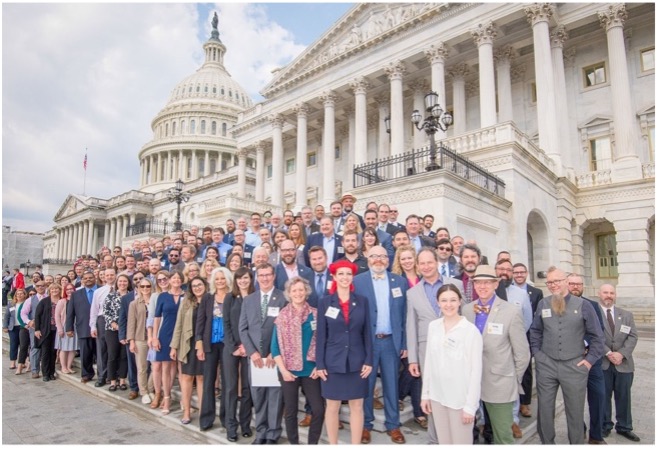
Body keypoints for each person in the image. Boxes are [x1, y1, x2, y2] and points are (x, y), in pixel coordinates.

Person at [530, 266, 605, 444]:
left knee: (575, 412)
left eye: (557, 281)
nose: (553, 285)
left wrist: (588, 361)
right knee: (545, 410)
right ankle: (547, 443)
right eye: (549, 282)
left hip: (574, 366)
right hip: (546, 364)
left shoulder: (584, 305)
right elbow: (535, 331)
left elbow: (597, 337)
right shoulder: (543, 304)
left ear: (566, 282)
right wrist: (538, 355)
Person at [461, 265, 530, 444]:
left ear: (495, 284)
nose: (482, 286)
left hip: (500, 383)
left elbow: (522, 354)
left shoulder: (510, 311)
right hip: (471, 383)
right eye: (478, 283)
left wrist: (512, 379)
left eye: (487, 282)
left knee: (503, 436)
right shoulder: (467, 310)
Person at [354, 245, 408, 444]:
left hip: (391, 342)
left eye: (383, 256)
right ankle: (366, 425)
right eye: (375, 255)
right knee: (366, 386)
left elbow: (404, 316)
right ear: (367, 257)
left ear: (388, 259)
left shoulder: (400, 282)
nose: (379, 259)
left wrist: (404, 342)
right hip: (367, 344)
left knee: (391, 385)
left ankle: (393, 425)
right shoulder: (358, 282)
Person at [316, 260, 373, 444]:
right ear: (333, 276)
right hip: (333, 362)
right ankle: (333, 444)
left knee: (357, 406)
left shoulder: (362, 301)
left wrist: (369, 360)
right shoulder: (325, 302)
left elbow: (367, 334)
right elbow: (321, 336)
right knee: (332, 406)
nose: (345, 277)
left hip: (358, 362)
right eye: (340, 274)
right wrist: (320, 364)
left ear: (352, 276)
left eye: (348, 274)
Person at [421, 284, 482, 443]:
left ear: (460, 301)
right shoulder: (433, 327)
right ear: (438, 303)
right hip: (437, 397)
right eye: (444, 300)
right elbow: (429, 362)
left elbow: (476, 372)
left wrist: (470, 406)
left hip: (459, 400)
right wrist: (425, 395)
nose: (449, 304)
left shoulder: (470, 331)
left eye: (453, 300)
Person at [271, 277, 325, 444]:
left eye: (301, 289)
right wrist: (284, 371)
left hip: (311, 371)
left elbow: (324, 343)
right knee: (291, 411)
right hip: (289, 372)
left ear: (306, 292)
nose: (298, 293)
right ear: (289, 293)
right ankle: (294, 443)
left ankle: (312, 443)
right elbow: (275, 348)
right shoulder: (282, 316)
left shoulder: (316, 314)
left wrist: (320, 365)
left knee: (318, 409)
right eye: (294, 290)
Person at [238, 263, 287, 445]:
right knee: (258, 396)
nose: (265, 278)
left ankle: (273, 434)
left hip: (275, 358)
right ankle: (261, 432)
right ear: (257, 278)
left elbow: (285, 330)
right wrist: (253, 353)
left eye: (268, 275)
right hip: (256, 359)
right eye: (261, 275)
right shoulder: (249, 300)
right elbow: (242, 329)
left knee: (275, 396)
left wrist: (275, 353)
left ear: (273, 276)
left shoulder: (283, 298)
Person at [566, 272, 607, 444]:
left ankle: (596, 436)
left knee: (598, 397)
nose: (576, 286)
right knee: (573, 400)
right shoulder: (559, 304)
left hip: (592, 361)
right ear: (566, 285)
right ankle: (579, 430)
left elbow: (599, 331)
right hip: (571, 361)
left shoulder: (592, 305)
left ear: (582, 286)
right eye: (572, 283)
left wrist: (584, 345)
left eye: (579, 284)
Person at [597, 284, 640, 442]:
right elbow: (594, 336)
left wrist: (621, 354)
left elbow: (633, 336)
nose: (608, 295)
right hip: (603, 363)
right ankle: (605, 425)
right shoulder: (594, 314)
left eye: (611, 293)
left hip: (624, 364)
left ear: (615, 295)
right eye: (605, 292)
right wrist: (608, 353)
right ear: (599, 294)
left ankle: (624, 427)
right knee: (603, 396)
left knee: (624, 397)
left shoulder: (626, 314)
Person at [196, 267, 232, 432]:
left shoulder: (233, 297)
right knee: (209, 381)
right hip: (210, 343)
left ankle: (226, 418)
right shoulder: (207, 298)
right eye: (217, 279)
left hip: (227, 344)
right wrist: (199, 343)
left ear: (227, 279)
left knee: (227, 381)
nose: (219, 281)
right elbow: (200, 321)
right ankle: (206, 418)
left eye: (222, 278)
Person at [222, 266, 255, 440]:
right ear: (235, 280)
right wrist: (234, 347)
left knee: (247, 388)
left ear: (251, 279)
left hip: (250, 348)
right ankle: (231, 427)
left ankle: (245, 424)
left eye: (246, 278)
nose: (243, 281)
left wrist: (247, 347)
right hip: (231, 349)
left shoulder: (255, 297)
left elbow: (256, 325)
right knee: (231, 388)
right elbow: (226, 324)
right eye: (239, 278)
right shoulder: (229, 298)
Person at [171, 276, 207, 425]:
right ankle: (186, 411)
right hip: (188, 344)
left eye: (200, 285)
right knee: (186, 378)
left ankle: (203, 412)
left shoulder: (210, 300)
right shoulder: (186, 301)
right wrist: (174, 346)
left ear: (205, 285)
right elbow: (178, 323)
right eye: (194, 286)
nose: (197, 287)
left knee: (201, 378)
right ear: (191, 289)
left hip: (205, 345)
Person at [511, 262, 543, 419]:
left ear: (527, 273)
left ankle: (525, 403)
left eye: (521, 272)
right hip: (510, 336)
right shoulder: (507, 291)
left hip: (528, 336)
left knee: (527, 370)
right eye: (515, 272)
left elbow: (537, 317)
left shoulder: (536, 292)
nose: (518, 275)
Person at [153, 270, 185, 415]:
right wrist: (154, 337)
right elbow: (157, 318)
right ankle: (166, 397)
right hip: (165, 334)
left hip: (183, 335)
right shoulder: (162, 296)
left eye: (179, 278)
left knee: (181, 368)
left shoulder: (187, 296)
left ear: (182, 280)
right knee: (166, 367)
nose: (176, 280)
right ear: (170, 280)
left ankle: (184, 399)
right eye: (174, 278)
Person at [66, 271, 98, 382]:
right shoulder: (76, 294)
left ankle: (104, 375)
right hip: (83, 327)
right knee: (85, 353)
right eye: (86, 278)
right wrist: (69, 328)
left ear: (95, 278)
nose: (88, 279)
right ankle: (86, 374)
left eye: (90, 277)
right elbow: (70, 313)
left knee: (101, 353)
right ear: (82, 280)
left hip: (100, 328)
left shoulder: (102, 290)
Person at [128, 277, 154, 404]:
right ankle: (144, 392)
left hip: (154, 337)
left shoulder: (156, 301)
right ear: (138, 288)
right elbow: (131, 323)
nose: (145, 289)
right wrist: (131, 341)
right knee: (142, 367)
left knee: (155, 366)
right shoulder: (134, 303)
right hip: (140, 338)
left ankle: (150, 388)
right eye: (142, 286)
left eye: (147, 286)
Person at [147, 270, 171, 409]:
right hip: (157, 334)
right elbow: (150, 318)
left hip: (169, 334)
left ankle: (167, 395)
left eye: (165, 278)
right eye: (159, 280)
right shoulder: (155, 296)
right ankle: (157, 393)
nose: (163, 281)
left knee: (169, 367)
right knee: (156, 366)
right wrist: (151, 336)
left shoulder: (177, 294)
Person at [104, 274, 131, 391]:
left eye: (125, 281)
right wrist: (114, 324)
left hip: (127, 329)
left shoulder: (132, 297)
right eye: (120, 281)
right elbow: (106, 312)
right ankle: (113, 381)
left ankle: (122, 380)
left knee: (124, 356)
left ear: (128, 283)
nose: (122, 284)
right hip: (112, 329)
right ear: (117, 283)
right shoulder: (110, 296)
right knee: (112, 355)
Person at [34, 283, 62, 382]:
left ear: (59, 290)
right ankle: (45, 373)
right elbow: (37, 315)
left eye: (56, 289)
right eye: (52, 289)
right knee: (45, 352)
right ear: (49, 291)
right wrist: (37, 329)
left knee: (53, 352)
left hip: (58, 329)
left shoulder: (62, 300)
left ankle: (51, 372)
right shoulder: (44, 301)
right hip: (46, 329)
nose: (54, 291)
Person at [55, 282, 77, 374]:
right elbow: (57, 316)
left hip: (75, 327)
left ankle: (69, 366)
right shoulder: (62, 301)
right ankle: (63, 367)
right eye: (67, 289)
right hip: (64, 326)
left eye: (71, 289)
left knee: (72, 348)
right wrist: (60, 328)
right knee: (64, 348)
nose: (69, 291)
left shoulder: (77, 300)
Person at [12, 289, 30, 375]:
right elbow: (20, 316)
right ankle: (19, 367)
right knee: (23, 346)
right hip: (24, 327)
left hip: (34, 327)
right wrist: (25, 324)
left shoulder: (30, 301)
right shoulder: (24, 304)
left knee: (33, 347)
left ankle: (29, 364)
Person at [3, 288, 21, 370]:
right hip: (13, 327)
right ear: (15, 295)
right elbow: (7, 316)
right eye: (18, 294)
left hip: (23, 327)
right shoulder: (11, 304)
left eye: (21, 293)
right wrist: (5, 326)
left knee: (23, 345)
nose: (19, 295)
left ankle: (22, 362)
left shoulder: (26, 303)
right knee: (13, 344)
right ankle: (13, 362)